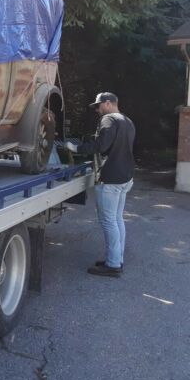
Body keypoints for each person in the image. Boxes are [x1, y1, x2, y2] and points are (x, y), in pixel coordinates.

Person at [65, 92, 135, 278]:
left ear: (108, 103)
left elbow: (101, 147)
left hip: (110, 178)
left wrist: (75, 148)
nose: (97, 110)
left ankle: (113, 265)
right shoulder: (127, 121)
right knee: (118, 219)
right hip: (125, 177)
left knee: (108, 221)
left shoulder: (108, 120)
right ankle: (116, 258)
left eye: (98, 106)